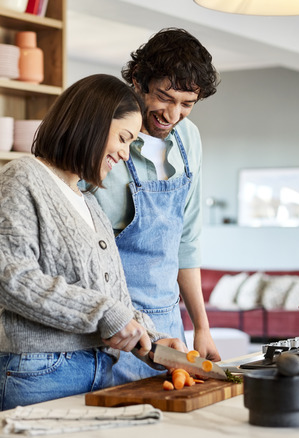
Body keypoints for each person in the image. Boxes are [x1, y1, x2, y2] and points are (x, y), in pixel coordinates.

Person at [0, 74, 183, 415]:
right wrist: (106, 314)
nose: (124, 153)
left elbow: (113, 299)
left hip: (100, 370)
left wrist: (152, 339)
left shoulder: (90, 204)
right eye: (123, 138)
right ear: (92, 123)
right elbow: (8, 278)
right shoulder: (22, 177)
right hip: (40, 373)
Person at [95, 28, 222, 385]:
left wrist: (201, 327)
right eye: (164, 98)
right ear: (138, 80)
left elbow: (187, 240)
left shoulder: (189, 138)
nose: (173, 114)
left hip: (167, 327)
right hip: (113, 327)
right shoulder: (105, 137)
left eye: (187, 104)